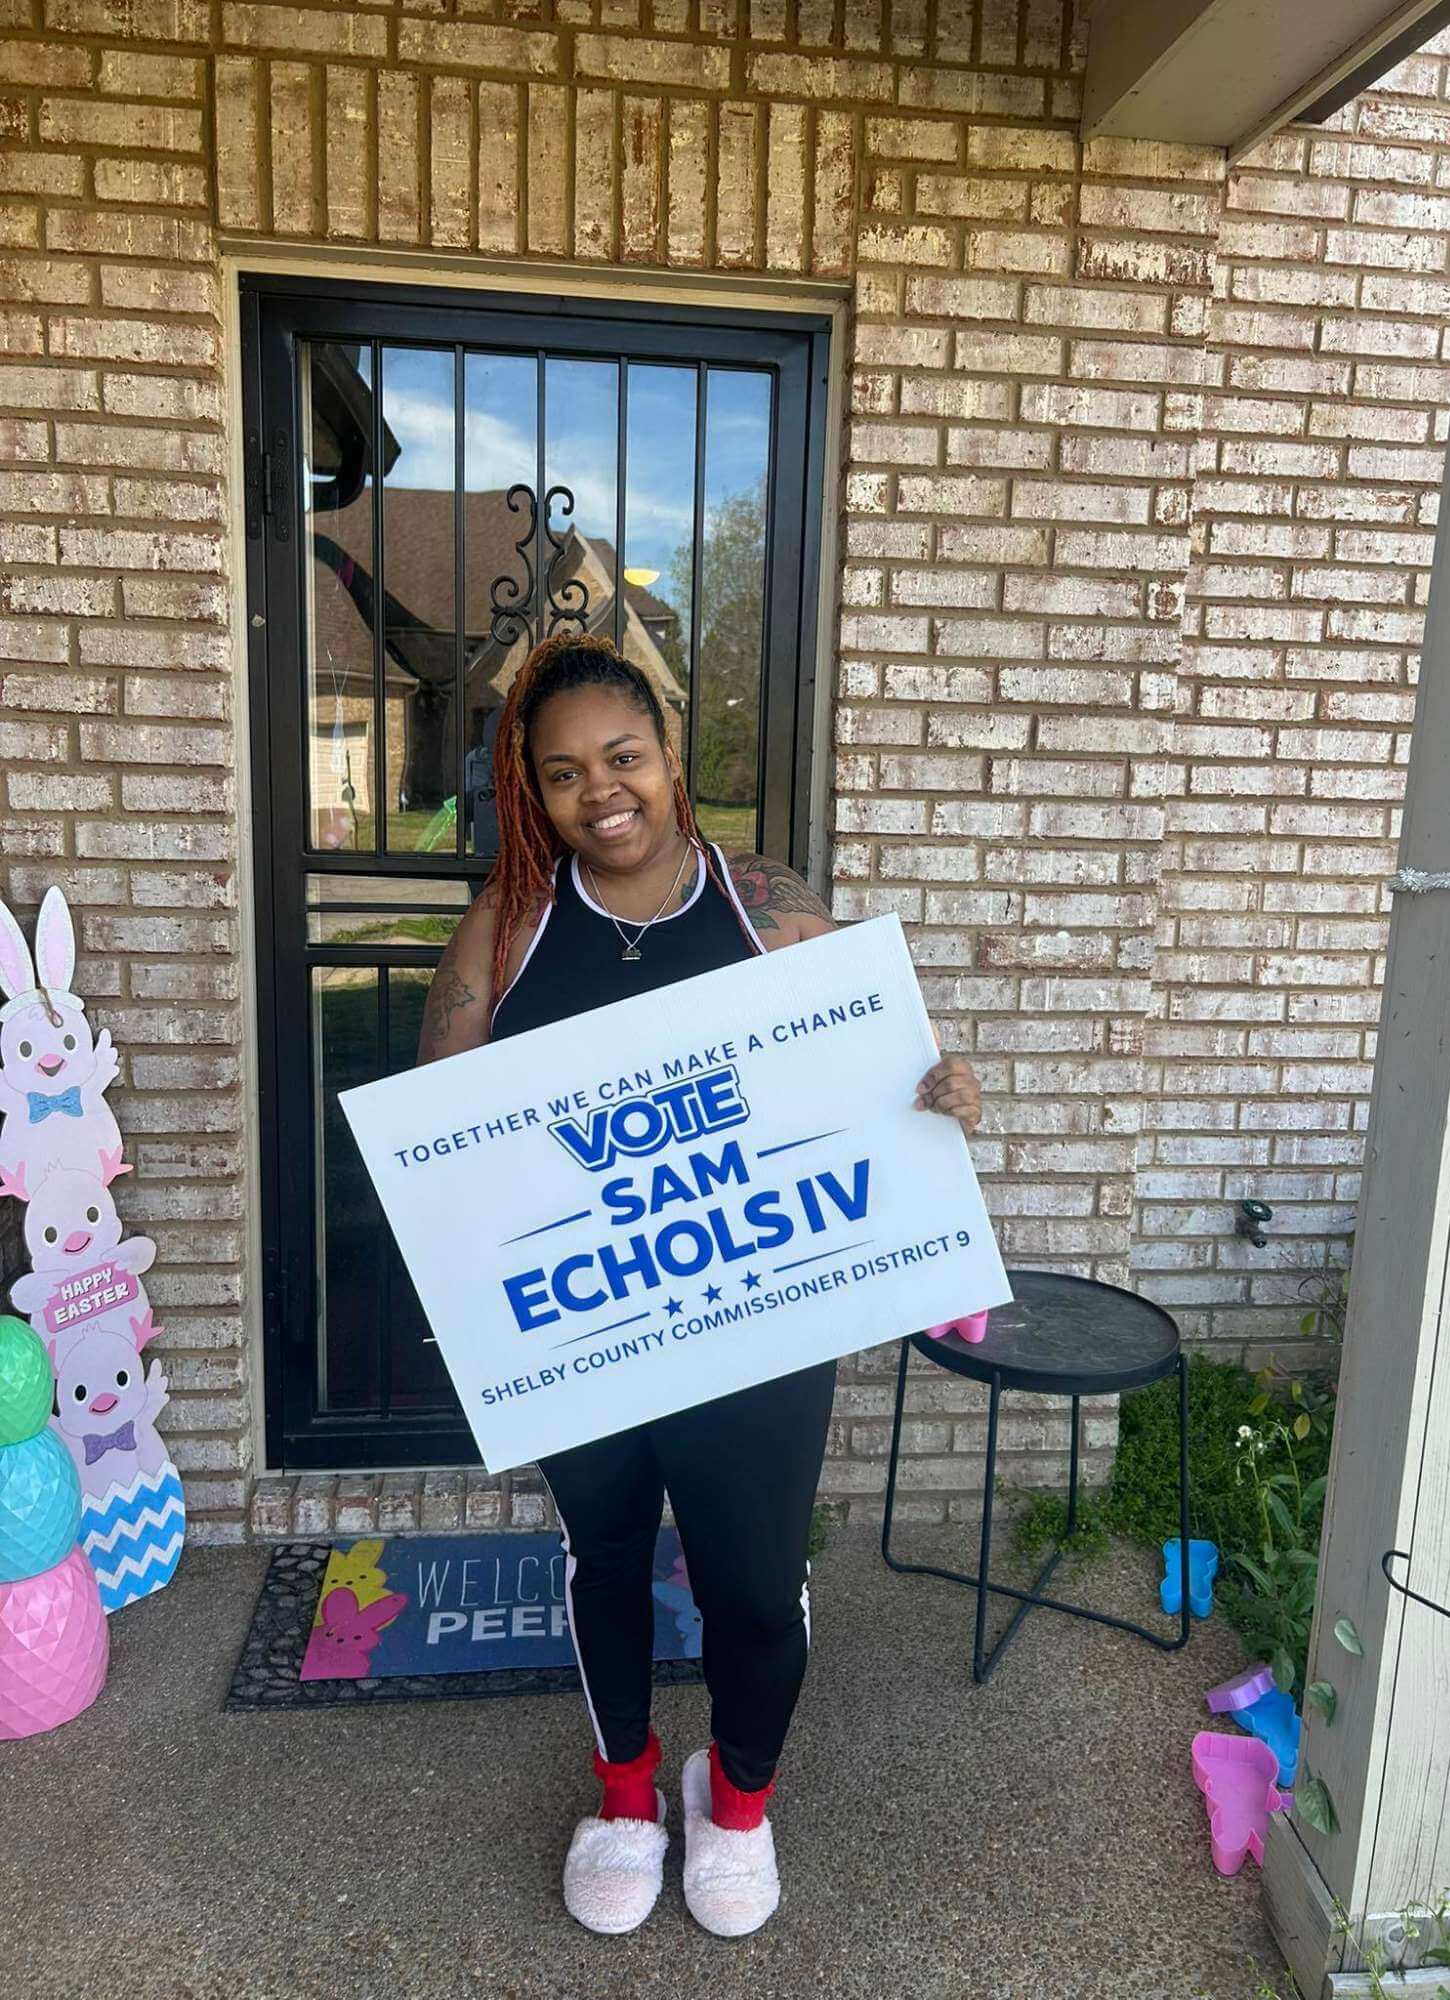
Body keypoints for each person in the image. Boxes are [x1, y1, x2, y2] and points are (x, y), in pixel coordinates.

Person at [416, 632, 981, 1940]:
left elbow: (877, 1068)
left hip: (758, 1324)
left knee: (755, 1584)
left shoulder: (767, 904)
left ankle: (735, 1802)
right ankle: (623, 1799)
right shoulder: (511, 922)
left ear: (671, 755)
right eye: (563, 774)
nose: (599, 793)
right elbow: (439, 1131)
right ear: (533, 790)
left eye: (622, 757)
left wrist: (940, 1093)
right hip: (592, 1319)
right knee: (606, 1561)